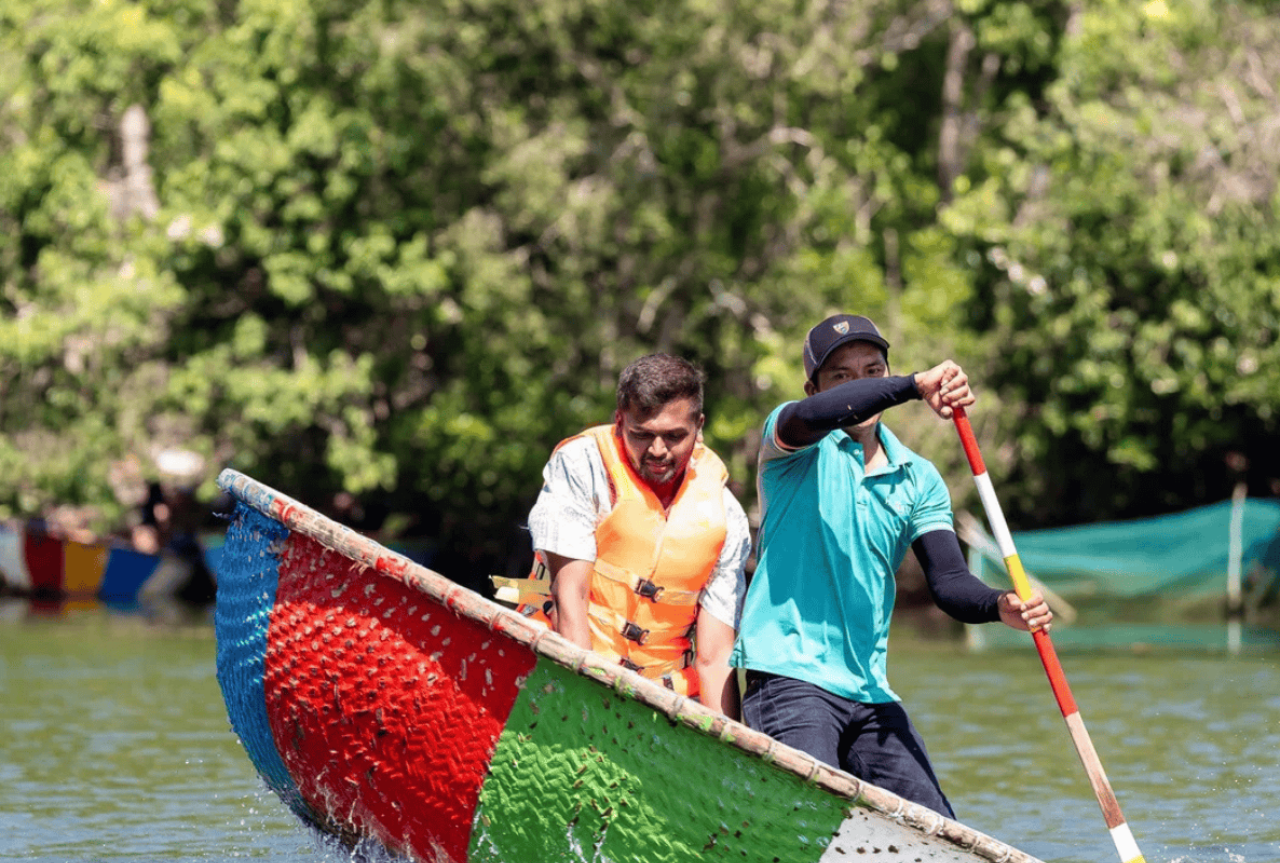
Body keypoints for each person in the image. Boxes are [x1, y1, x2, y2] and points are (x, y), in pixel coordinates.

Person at [730, 313, 1053, 817]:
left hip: (869, 689)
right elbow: (822, 413)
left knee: (938, 830)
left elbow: (949, 582)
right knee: (806, 818)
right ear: (813, 387)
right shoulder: (790, 442)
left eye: (872, 371)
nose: (858, 386)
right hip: (789, 677)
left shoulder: (919, 478)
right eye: (840, 376)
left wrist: (999, 605)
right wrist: (912, 385)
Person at [520, 354, 751, 717]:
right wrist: (585, 708)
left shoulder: (727, 515)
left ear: (699, 426)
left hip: (659, 702)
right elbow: (569, 599)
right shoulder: (583, 464)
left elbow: (715, 657)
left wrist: (727, 743)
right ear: (619, 421)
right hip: (564, 672)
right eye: (641, 435)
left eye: (674, 436)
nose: (658, 450)